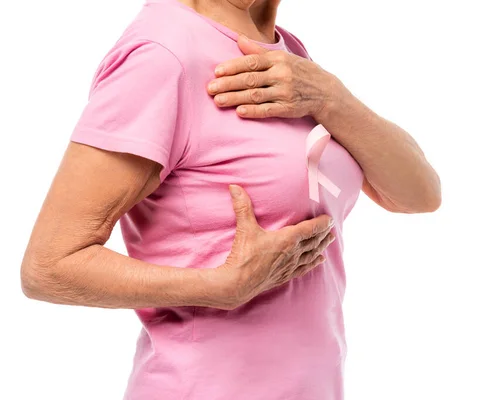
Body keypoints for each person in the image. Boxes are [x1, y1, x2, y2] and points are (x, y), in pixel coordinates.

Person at [20, 0, 441, 399]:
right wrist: (221, 286)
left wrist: (332, 97)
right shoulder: (162, 54)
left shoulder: (289, 56)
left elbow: (418, 193)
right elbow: (50, 265)